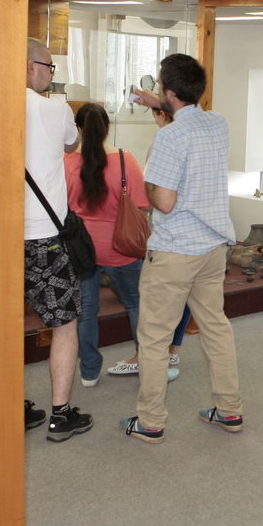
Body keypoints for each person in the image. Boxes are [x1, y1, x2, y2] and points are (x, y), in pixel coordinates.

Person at [0, 39, 92, 442]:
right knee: (64, 324)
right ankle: (60, 415)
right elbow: (72, 144)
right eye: (49, 67)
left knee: (4, 325)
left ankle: (11, 407)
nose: (51, 75)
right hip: (46, 240)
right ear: (31, 67)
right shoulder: (56, 109)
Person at [120, 53, 244, 443]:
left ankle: (150, 421)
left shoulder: (169, 137)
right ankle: (229, 411)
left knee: (154, 338)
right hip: (212, 248)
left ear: (169, 91)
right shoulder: (218, 124)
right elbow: (185, 113)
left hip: (174, 252)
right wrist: (159, 103)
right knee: (216, 328)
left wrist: (148, 182)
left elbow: (164, 201)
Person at [64, 103, 182, 388]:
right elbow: (142, 204)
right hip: (121, 246)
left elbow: (61, 206)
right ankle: (148, 363)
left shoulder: (67, 162)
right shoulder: (124, 159)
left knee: (87, 310)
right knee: (136, 304)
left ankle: (89, 372)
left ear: (79, 130)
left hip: (82, 249)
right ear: (107, 128)